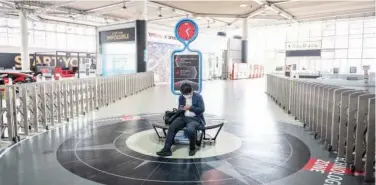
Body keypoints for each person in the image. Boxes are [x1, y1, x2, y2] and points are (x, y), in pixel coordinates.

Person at [156, 83, 205, 157]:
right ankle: (167, 149)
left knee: (190, 130)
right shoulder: (181, 97)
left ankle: (192, 148)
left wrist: (190, 108)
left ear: (191, 91)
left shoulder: (198, 97)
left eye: (186, 94)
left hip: (195, 119)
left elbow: (202, 109)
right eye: (183, 94)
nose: (185, 96)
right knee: (172, 126)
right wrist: (181, 108)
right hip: (183, 117)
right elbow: (180, 108)